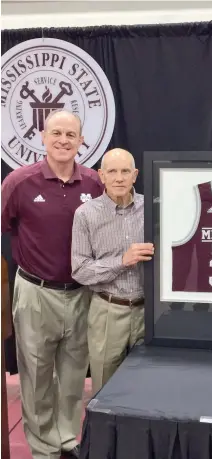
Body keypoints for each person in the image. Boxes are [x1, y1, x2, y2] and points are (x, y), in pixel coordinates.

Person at [1, 110, 104, 459]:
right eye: (56, 133)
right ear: (43, 137)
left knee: (74, 376)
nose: (63, 140)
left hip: (80, 294)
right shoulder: (18, 182)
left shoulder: (94, 183)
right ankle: (44, 447)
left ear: (81, 141)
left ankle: (65, 440)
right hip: (35, 292)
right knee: (36, 376)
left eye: (70, 135)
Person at [71, 148, 154, 395]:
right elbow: (80, 270)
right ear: (101, 176)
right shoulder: (85, 214)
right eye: (112, 171)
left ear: (135, 175)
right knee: (106, 388)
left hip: (147, 313)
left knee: (147, 385)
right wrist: (122, 260)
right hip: (107, 311)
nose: (119, 178)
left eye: (125, 171)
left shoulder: (152, 208)